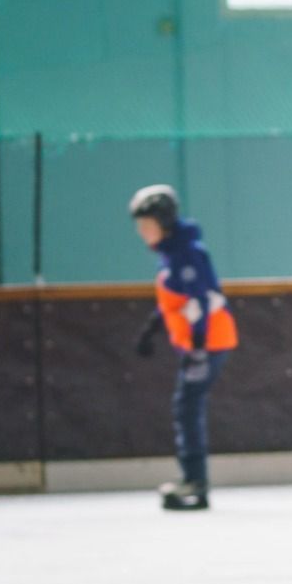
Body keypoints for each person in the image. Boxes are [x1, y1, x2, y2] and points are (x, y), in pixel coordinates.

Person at [129, 185, 238, 511]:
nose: (142, 232)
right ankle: (194, 480)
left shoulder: (188, 253)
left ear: (164, 221)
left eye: (147, 224)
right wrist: (151, 330)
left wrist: (201, 346)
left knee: (187, 407)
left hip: (210, 341)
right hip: (200, 341)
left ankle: (195, 480)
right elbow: (175, 302)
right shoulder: (173, 252)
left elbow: (202, 300)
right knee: (186, 407)